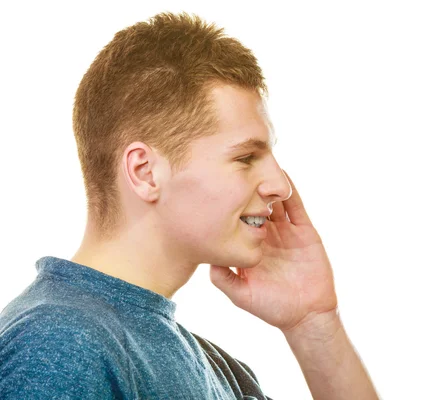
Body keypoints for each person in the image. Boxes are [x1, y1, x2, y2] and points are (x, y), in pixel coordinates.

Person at [0, 11, 379, 400]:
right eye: (246, 157)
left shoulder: (223, 372)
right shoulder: (60, 346)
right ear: (145, 172)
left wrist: (314, 324)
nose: (281, 185)